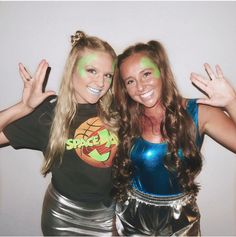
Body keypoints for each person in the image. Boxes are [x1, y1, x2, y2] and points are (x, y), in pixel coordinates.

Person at [0, 30, 119, 236]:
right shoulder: (47, 114)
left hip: (108, 217)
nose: (100, 83)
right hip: (63, 217)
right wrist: (23, 107)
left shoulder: (119, 112)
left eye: (107, 75)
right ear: (72, 70)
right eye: (91, 71)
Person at [112, 40, 236, 236]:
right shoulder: (126, 117)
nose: (140, 87)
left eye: (146, 74)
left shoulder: (198, 112)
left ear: (161, 70)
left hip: (180, 223)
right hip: (131, 218)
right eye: (130, 81)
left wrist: (231, 102)